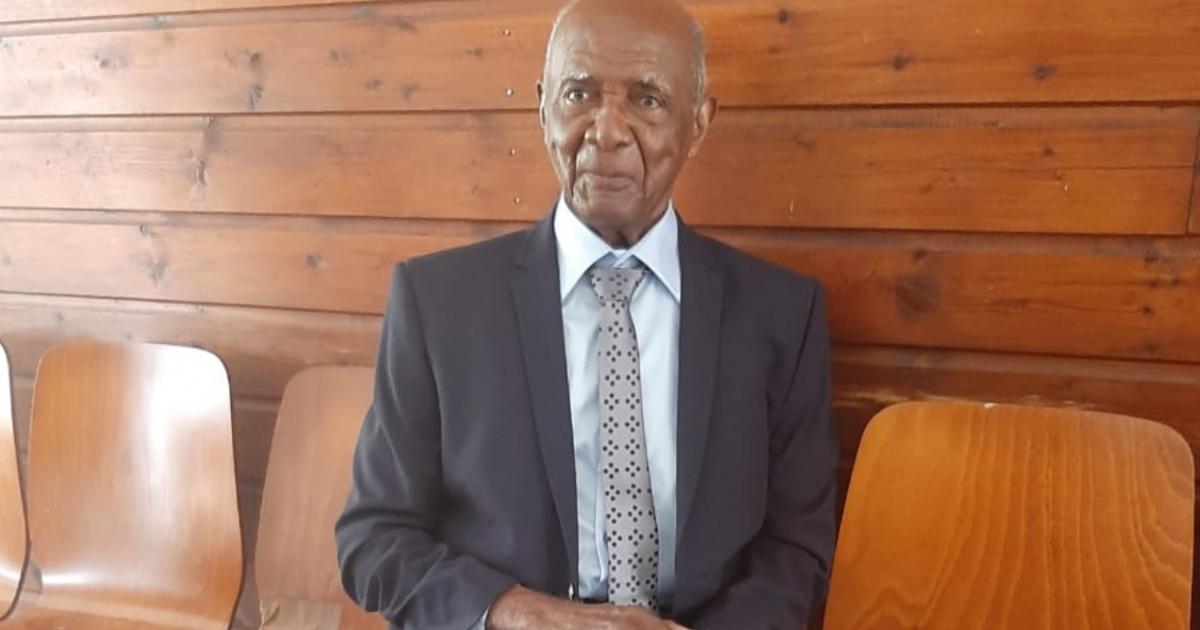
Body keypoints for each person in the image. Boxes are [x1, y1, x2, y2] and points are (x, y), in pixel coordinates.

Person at [335, 0, 839, 627]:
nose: (606, 131)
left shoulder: (781, 316)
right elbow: (374, 537)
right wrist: (516, 614)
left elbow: (798, 547)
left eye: (648, 99)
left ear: (698, 123)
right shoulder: (437, 304)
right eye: (579, 94)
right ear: (542, 106)